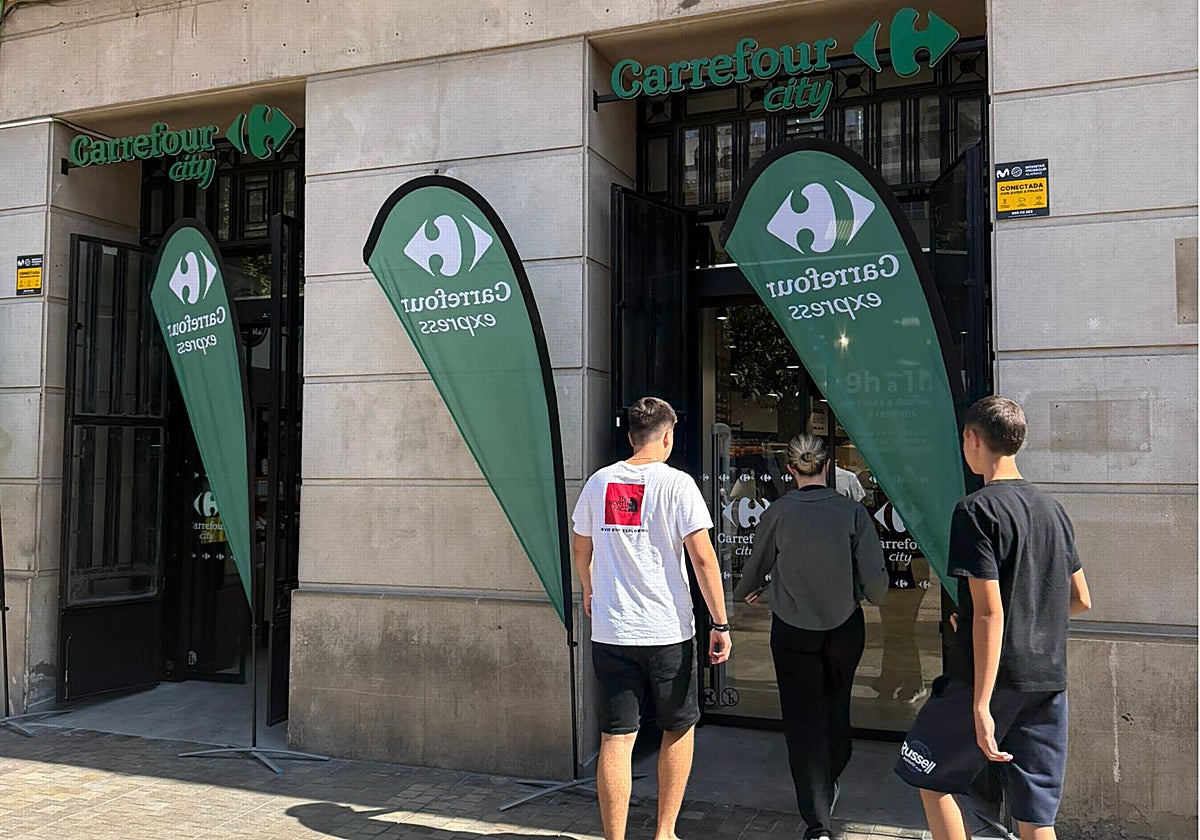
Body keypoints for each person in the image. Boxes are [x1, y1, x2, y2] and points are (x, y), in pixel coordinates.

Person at [894, 396, 1092, 840]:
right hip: (1047, 679)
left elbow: (988, 612)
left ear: (971, 439)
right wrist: (1030, 618)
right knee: (1036, 815)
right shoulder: (1054, 511)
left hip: (989, 678)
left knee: (926, 771)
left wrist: (981, 705)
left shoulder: (976, 510)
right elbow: (1081, 599)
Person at [572, 396, 731, 840]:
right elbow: (703, 559)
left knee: (617, 737)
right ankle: (664, 833)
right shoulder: (678, 485)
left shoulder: (599, 482)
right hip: (667, 632)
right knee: (678, 728)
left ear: (630, 437)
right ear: (667, 436)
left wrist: (589, 589)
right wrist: (720, 622)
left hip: (612, 630)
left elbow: (580, 547)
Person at [734, 433, 888, 840]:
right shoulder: (852, 512)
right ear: (827, 467)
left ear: (790, 470)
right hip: (844, 627)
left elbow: (751, 571)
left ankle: (817, 820)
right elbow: (878, 588)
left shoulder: (780, 512)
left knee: (802, 720)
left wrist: (751, 591)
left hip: (791, 627)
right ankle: (831, 775)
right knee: (837, 708)